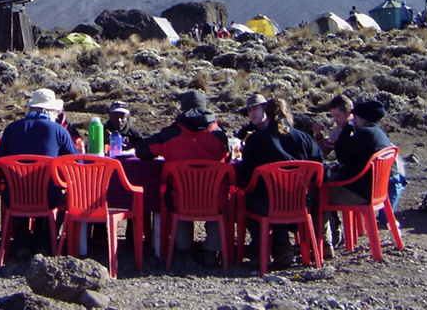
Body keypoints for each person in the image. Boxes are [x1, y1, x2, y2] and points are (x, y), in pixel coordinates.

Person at [135, 90, 229, 266]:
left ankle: (183, 250)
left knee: (177, 195)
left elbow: (142, 151)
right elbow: (228, 158)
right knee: (218, 199)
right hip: (214, 200)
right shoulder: (219, 135)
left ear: (182, 109)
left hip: (181, 201)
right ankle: (212, 251)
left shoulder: (171, 133)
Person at [238, 98, 322, 269]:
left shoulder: (256, 139)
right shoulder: (304, 138)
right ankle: (284, 245)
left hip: (266, 204)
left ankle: (260, 248)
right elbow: (319, 166)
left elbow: (246, 173)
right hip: (299, 202)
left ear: (266, 115)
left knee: (248, 200)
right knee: (280, 198)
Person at [0, 88, 77, 256]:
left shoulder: (11, 129)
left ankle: (22, 242)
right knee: (61, 197)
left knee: (19, 191)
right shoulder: (58, 130)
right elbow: (76, 161)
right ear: (51, 110)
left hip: (15, 195)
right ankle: (45, 241)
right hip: (47, 197)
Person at [326, 100, 393, 204]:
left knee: (318, 196)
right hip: (376, 192)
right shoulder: (378, 133)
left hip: (359, 194)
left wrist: (347, 128)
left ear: (363, 118)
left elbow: (342, 156)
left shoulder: (366, 133)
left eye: (356, 118)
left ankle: (327, 221)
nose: (354, 121)